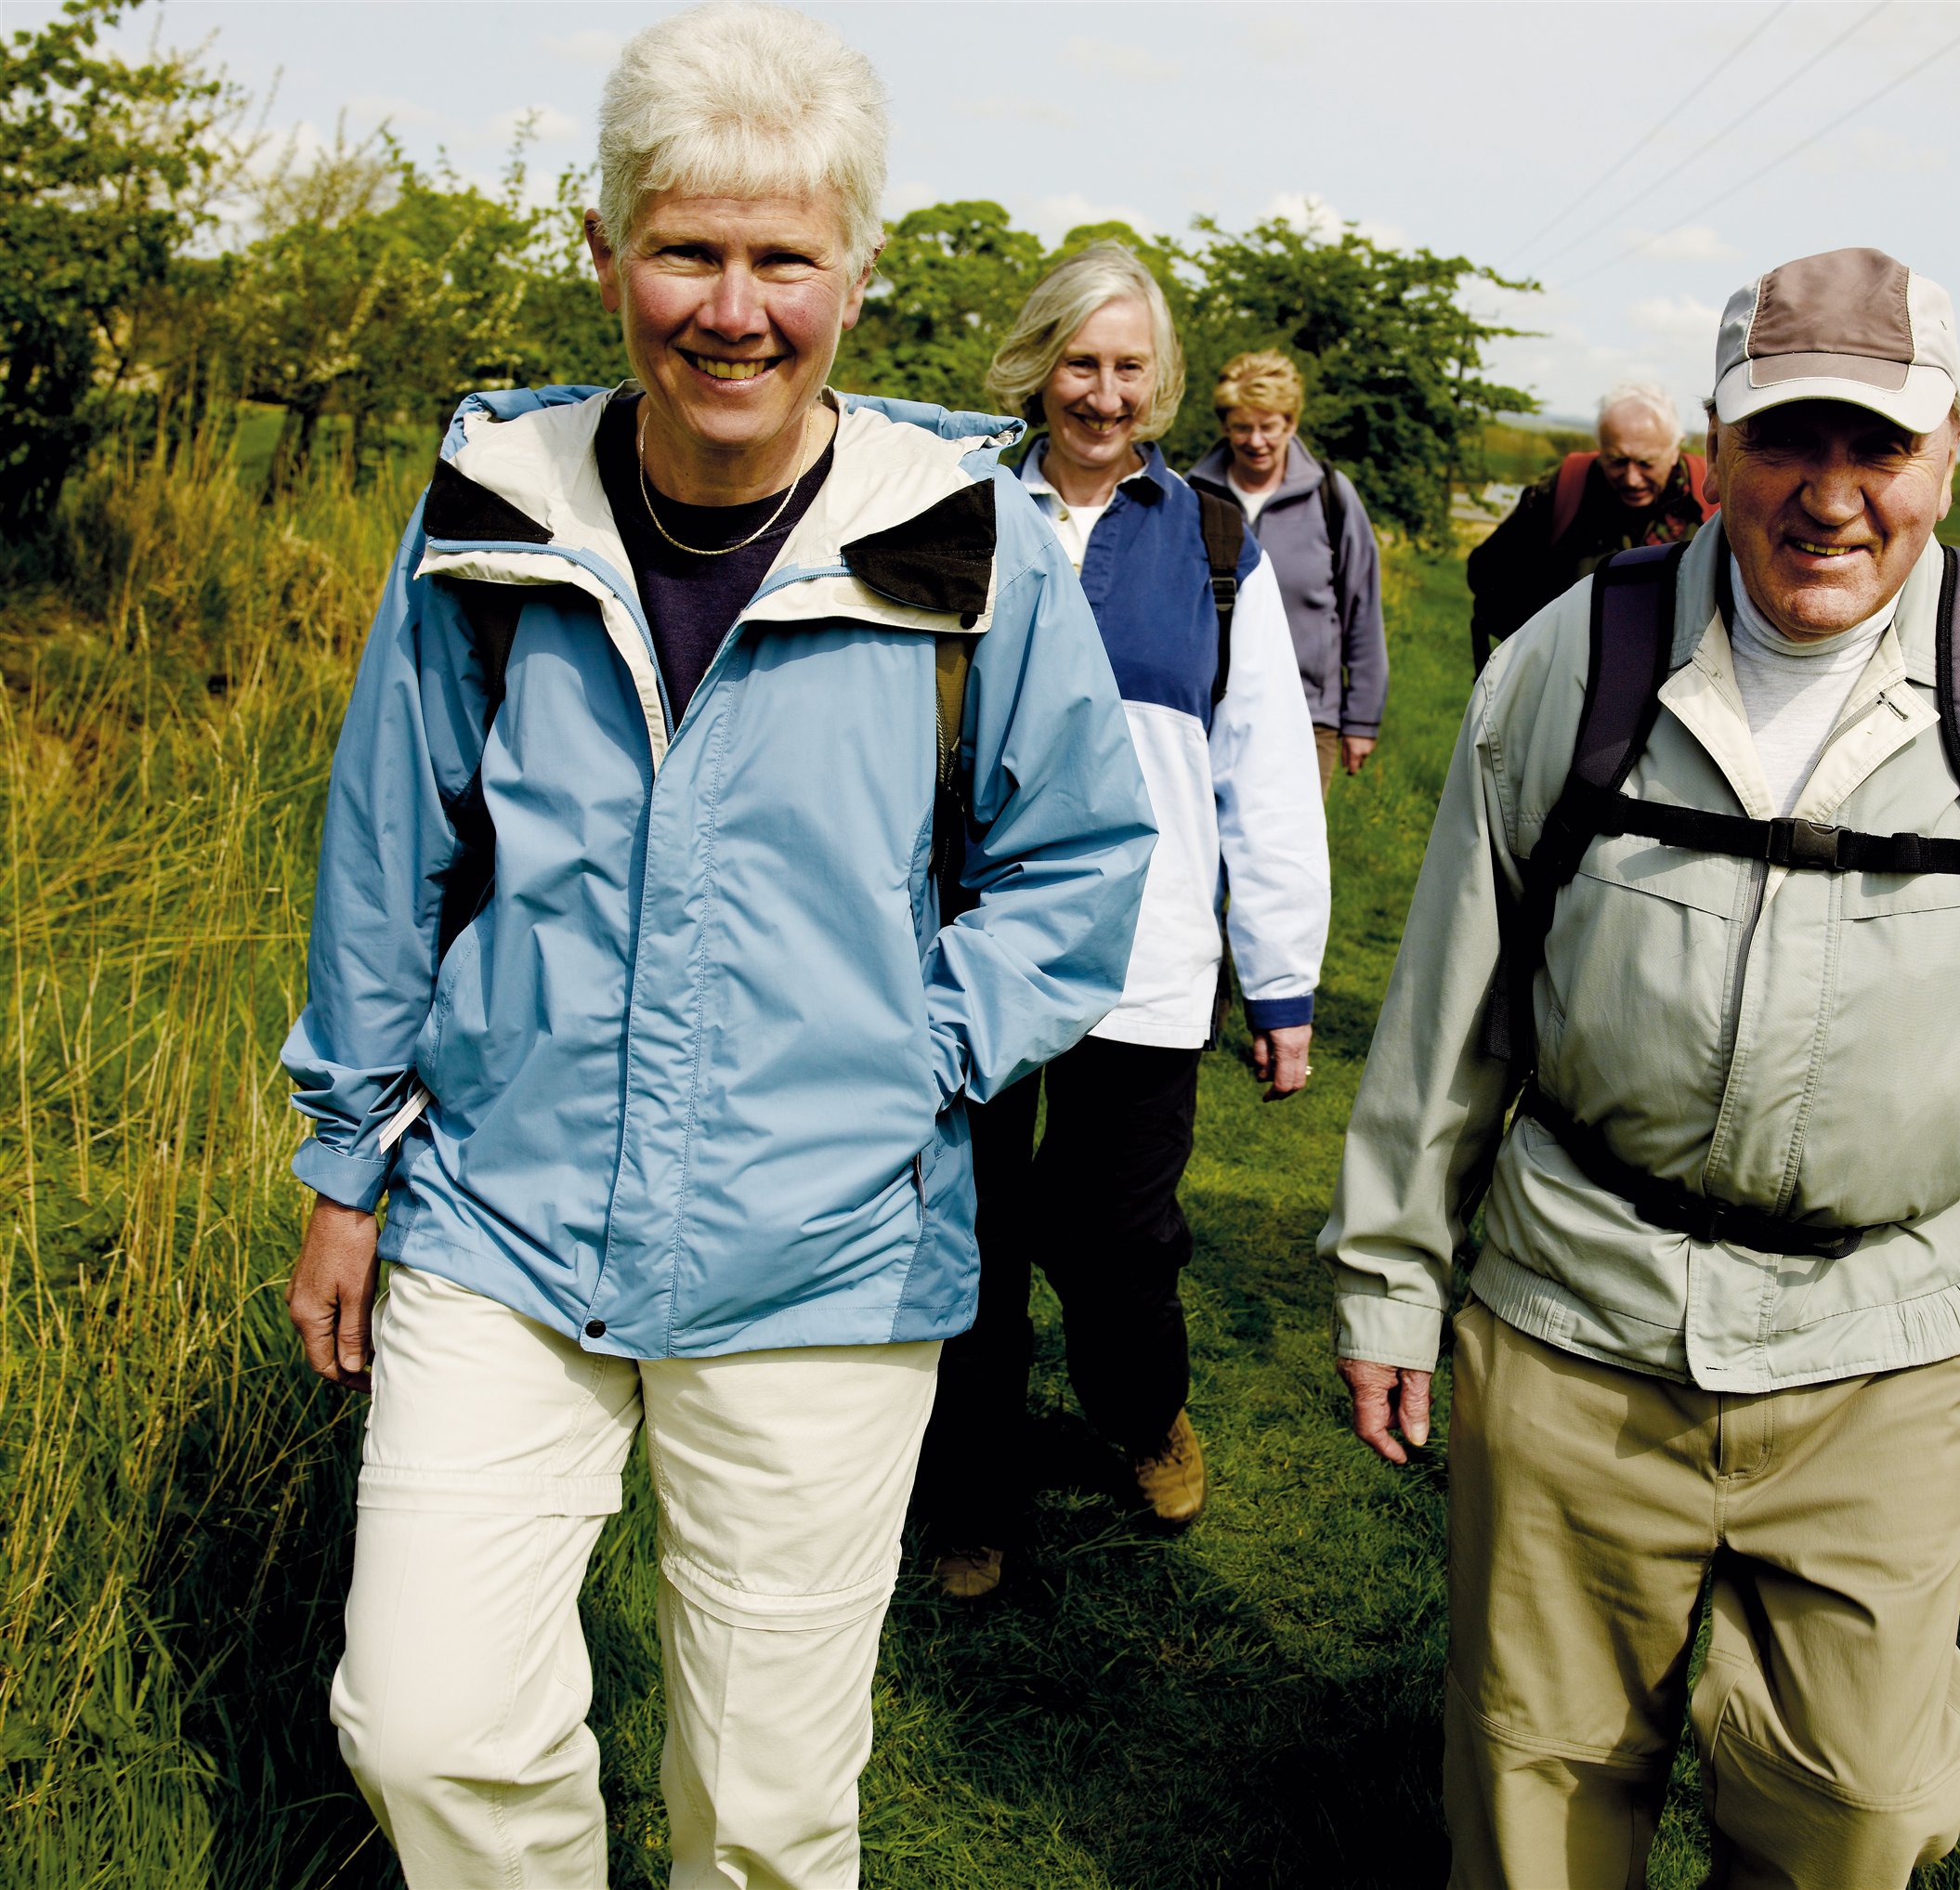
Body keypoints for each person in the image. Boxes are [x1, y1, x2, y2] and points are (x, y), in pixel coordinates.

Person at [277, 8, 1158, 1883]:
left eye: (782, 257)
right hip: (496, 1220)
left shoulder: (960, 545)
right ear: (604, 259)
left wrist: (908, 1046)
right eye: (686, 249)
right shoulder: (488, 527)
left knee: (764, 1806)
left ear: (857, 270)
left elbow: (1079, 863)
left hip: (826, 1246)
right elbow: (384, 864)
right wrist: (344, 1164)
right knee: (422, 1723)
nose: (732, 307)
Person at [1322, 246, 1960, 1888]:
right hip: (1577, 1310)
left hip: (1887, 1343)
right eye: (1789, 440)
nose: (1831, 497)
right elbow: (1453, 1004)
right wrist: (1387, 1275)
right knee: (1539, 1782)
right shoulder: (1580, 659)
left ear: (1948, 455)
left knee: (1857, 1810)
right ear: (1718, 449)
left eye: (1879, 448)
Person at [912, 247, 1332, 1601]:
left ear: (1162, 383)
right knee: (964, 1236)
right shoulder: (960, 509)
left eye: (1127, 366)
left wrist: (1278, 984)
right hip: (969, 950)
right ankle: (966, 1489)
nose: (1101, 392)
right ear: (1038, 363)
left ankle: (1142, 1411)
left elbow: (1261, 770)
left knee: (1119, 1241)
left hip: (1147, 957)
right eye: (1078, 362)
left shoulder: (1213, 541)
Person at [1185, 350, 1387, 794]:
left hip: (1306, 718)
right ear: (1224, 426)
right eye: (1242, 426)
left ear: (1291, 423)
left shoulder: (1330, 496)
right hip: (1205, 713)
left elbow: (1363, 609)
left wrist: (1361, 720)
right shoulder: (1191, 496)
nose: (1255, 441)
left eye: (1268, 426)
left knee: (1286, 859)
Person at [1466, 379, 1709, 671]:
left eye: (1646, 463)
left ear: (1674, 451)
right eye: (1617, 461)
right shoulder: (1565, 489)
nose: (1631, 478)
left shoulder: (1711, 501)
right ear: (1600, 448)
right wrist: (1546, 647)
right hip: (1571, 676)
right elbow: (1485, 573)